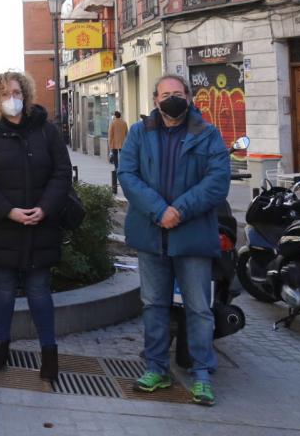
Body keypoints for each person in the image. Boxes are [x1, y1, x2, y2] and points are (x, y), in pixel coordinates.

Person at [117, 74, 230, 407]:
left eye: (178, 93)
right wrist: (159, 210)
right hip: (151, 236)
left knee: (198, 308)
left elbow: (217, 181)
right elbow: (128, 175)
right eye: (166, 94)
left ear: (189, 97)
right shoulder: (139, 133)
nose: (172, 98)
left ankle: (202, 375)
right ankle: (155, 367)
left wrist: (178, 210)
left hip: (191, 236)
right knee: (153, 304)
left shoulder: (208, 134)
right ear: (155, 99)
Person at [0, 70, 71, 383]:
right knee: (2, 290)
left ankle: (49, 354)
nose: (11, 99)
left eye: (16, 92)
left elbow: (61, 173)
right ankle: (0, 348)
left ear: (25, 95)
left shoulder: (46, 132)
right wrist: (9, 211)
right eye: (4, 94)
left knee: (40, 290)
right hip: (1, 227)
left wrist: (45, 208)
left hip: (41, 225)